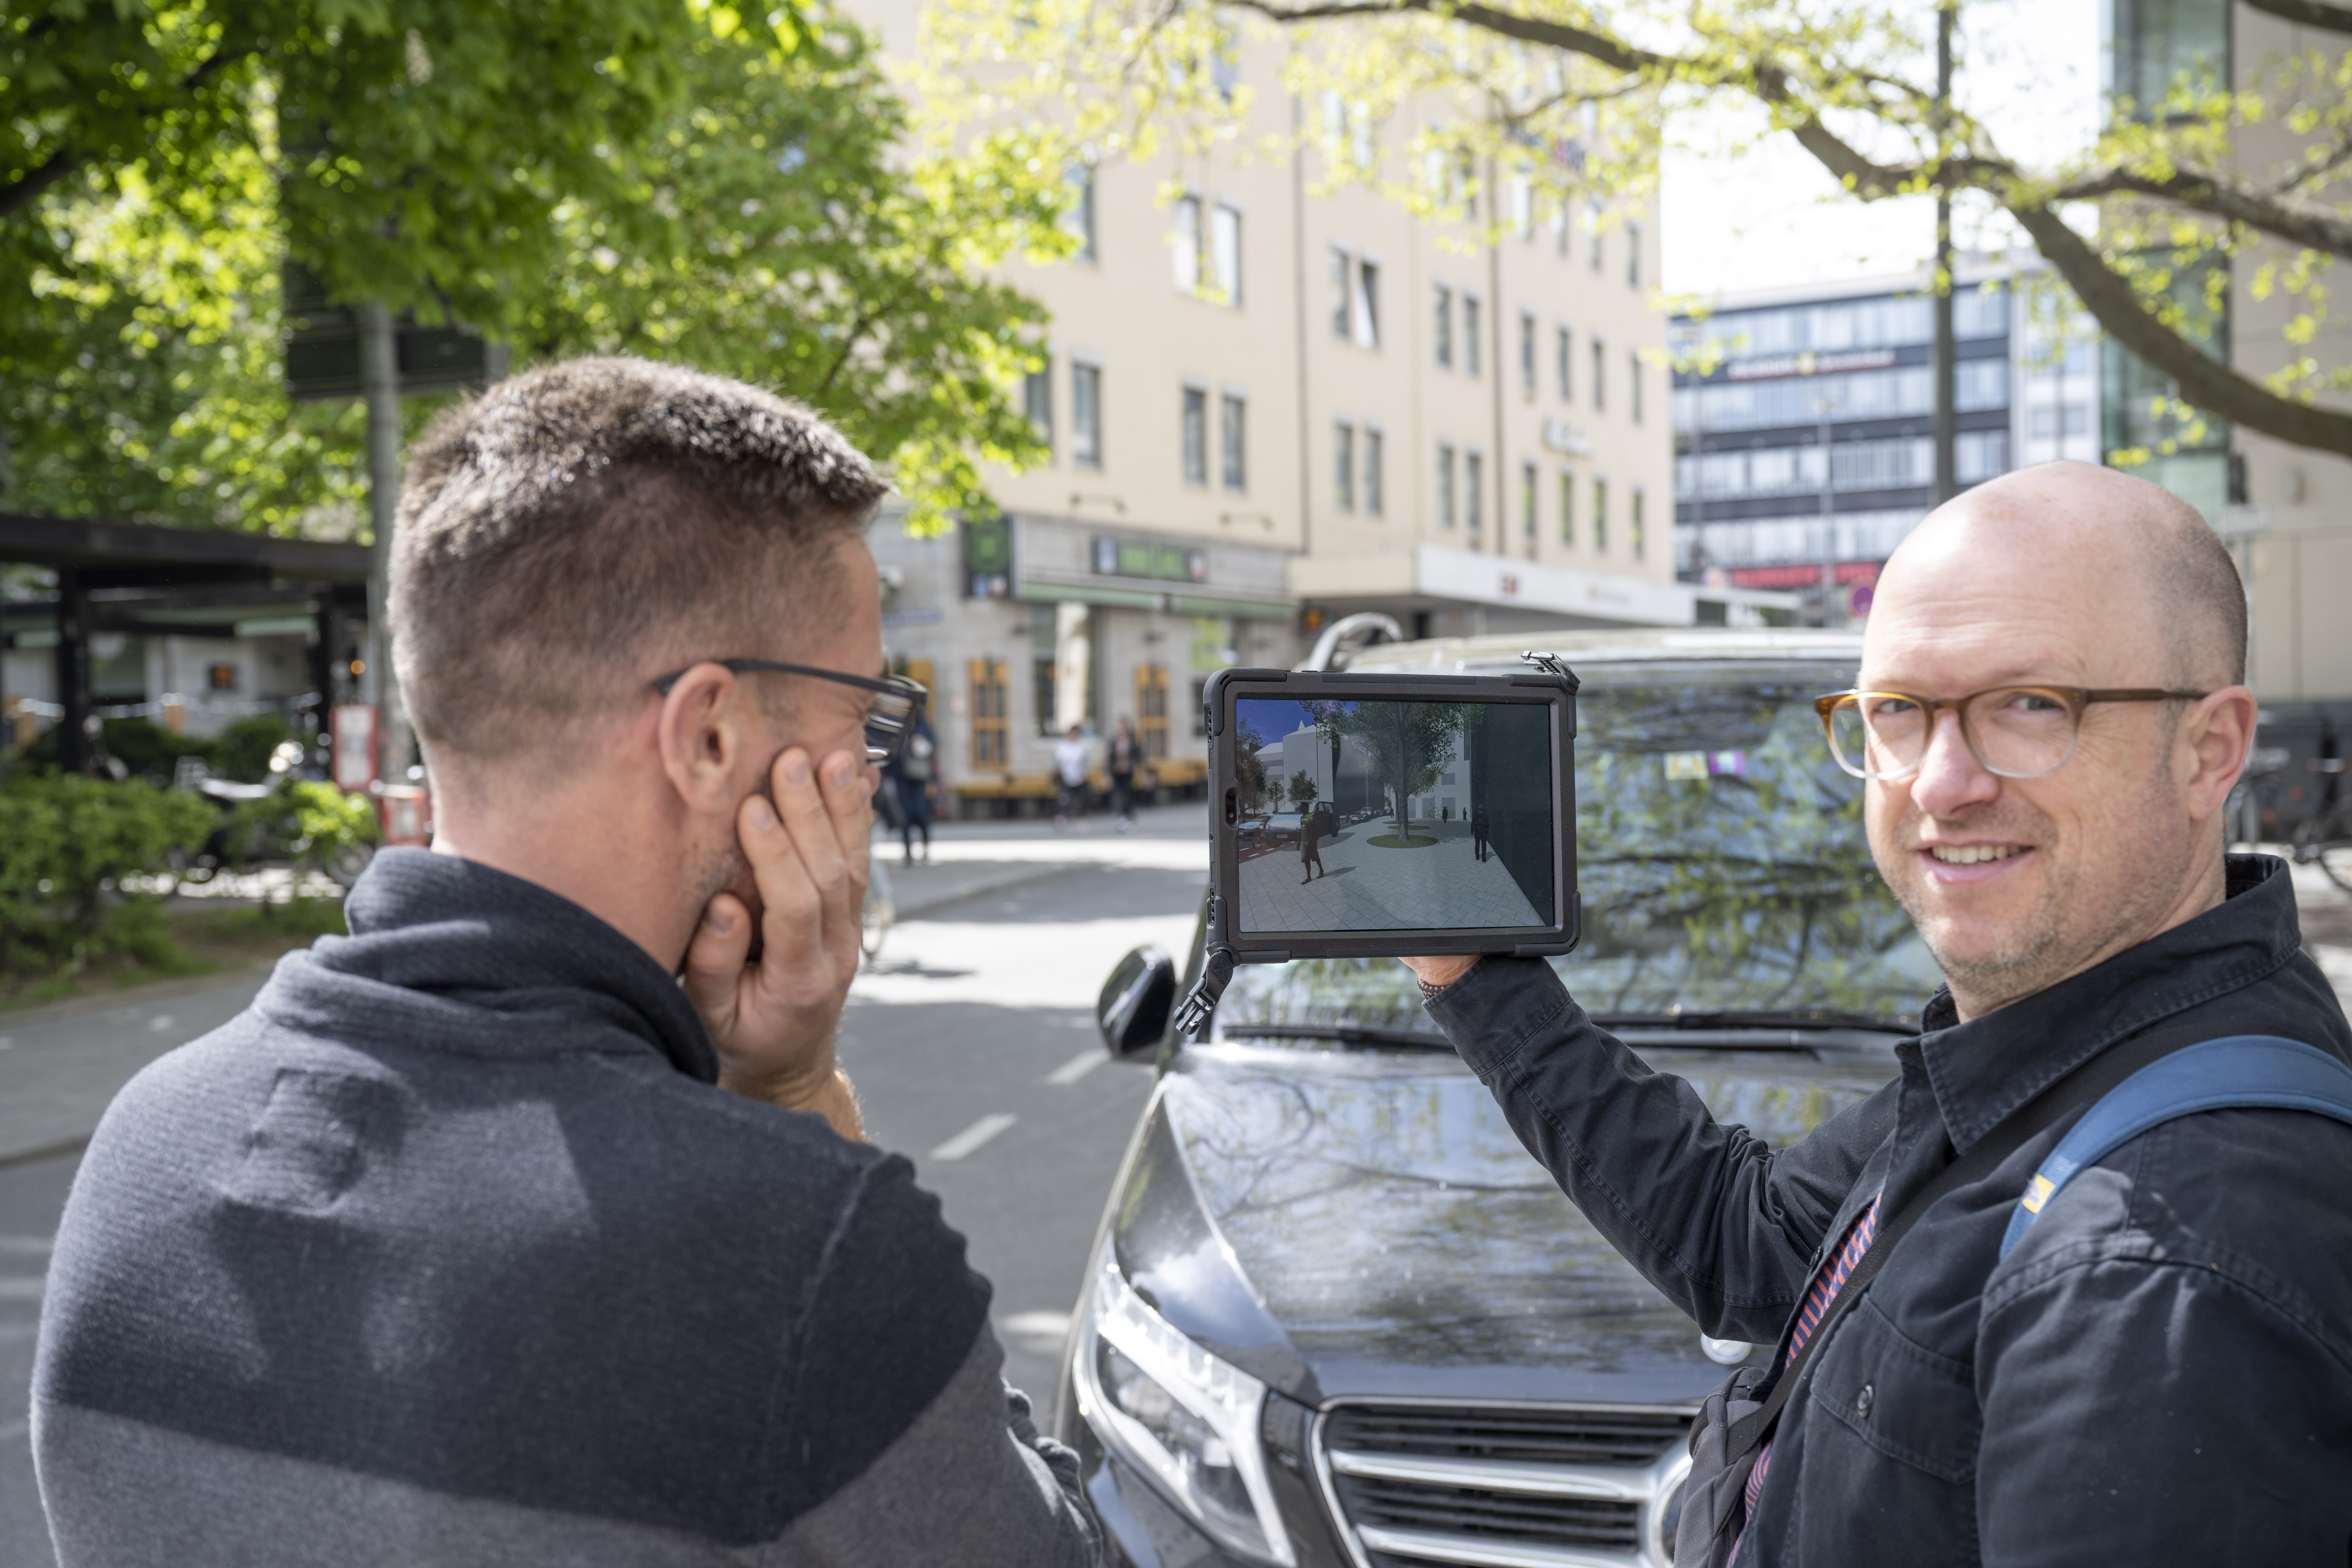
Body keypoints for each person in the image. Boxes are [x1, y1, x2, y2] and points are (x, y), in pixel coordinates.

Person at [33, 358, 1104, 1568]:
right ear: (707, 734)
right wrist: (798, 1104)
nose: (865, 767)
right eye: (863, 712)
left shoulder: (143, 1145)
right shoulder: (797, 1245)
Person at [1406, 462, 2352, 1564]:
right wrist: (1472, 970)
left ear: (2211, 750)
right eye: (1899, 711)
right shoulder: (2055, 1048)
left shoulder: (2157, 1274)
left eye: (2030, 705)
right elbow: (1746, 1240)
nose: (1943, 783)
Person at [889, 713, 938, 864]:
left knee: (919, 810)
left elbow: (934, 746)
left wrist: (920, 742)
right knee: (904, 813)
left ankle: (925, 843)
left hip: (919, 777)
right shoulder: (896, 725)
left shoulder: (923, 726)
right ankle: (908, 850)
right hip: (901, 776)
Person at [1053, 723, 1089, 830]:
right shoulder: (1063, 746)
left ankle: (1082, 818)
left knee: (1081, 799)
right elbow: (1058, 761)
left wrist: (1085, 773)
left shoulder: (1081, 746)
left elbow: (1085, 762)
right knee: (1064, 798)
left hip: (1079, 777)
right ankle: (1062, 818)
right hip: (1065, 776)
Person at [1107, 716, 1139, 831]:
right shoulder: (1114, 740)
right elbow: (1110, 757)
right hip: (1117, 772)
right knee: (1118, 795)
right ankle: (1120, 817)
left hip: (1128, 772)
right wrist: (1108, 772)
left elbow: (1138, 756)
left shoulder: (1132, 740)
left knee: (1127, 794)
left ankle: (1129, 816)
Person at [1299, 800, 1327, 883]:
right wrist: (1299, 843)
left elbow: (1314, 831)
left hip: (1311, 842)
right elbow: (1302, 831)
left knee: (1315, 857)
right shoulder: (1302, 818)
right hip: (1303, 842)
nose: (1299, 808)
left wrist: (1310, 843)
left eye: (1301, 806)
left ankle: (1321, 870)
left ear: (1305, 808)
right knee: (1306, 860)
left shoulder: (1310, 818)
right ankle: (1309, 877)